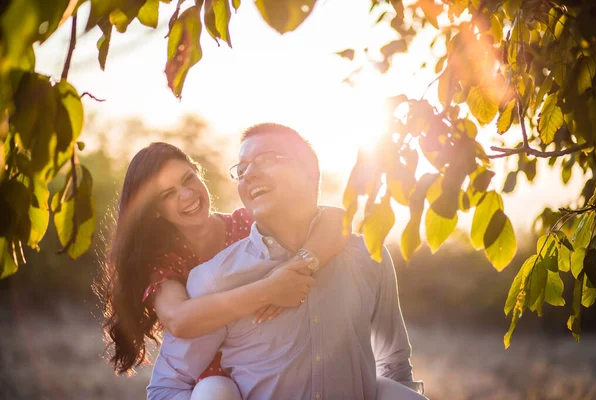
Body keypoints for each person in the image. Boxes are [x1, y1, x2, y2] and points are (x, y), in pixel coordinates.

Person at [148, 124, 426, 399]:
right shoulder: (211, 278)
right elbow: (168, 379)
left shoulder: (367, 257)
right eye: (241, 169)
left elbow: (395, 365)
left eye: (267, 159)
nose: (249, 174)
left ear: (309, 172)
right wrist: (268, 289)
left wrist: (301, 264)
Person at [97, 142, 346, 398]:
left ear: (198, 173)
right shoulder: (165, 261)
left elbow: (336, 221)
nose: (186, 195)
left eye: (188, 179)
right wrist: (270, 289)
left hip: (265, 369)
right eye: (168, 194)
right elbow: (179, 320)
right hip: (205, 384)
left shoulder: (248, 225)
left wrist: (300, 267)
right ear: (156, 211)